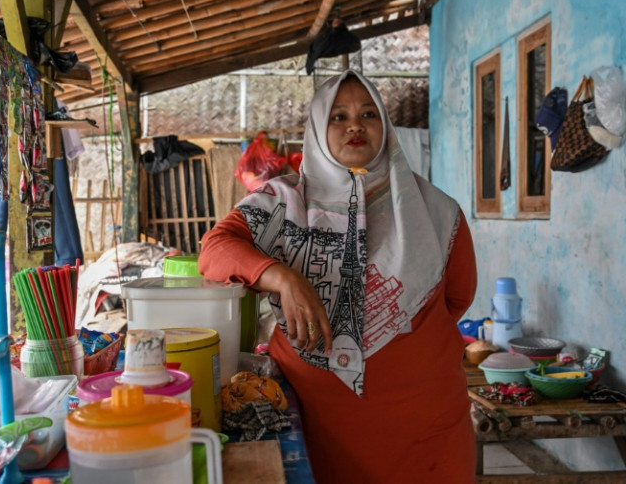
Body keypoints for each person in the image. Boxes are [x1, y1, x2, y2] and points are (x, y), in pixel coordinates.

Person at [199, 70, 477, 483]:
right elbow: (214, 251)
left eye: (368, 114)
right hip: (318, 427)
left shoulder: (436, 210)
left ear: (384, 125)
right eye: (338, 117)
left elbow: (457, 297)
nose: (355, 126)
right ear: (316, 127)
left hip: (427, 429)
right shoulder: (281, 203)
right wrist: (280, 277)